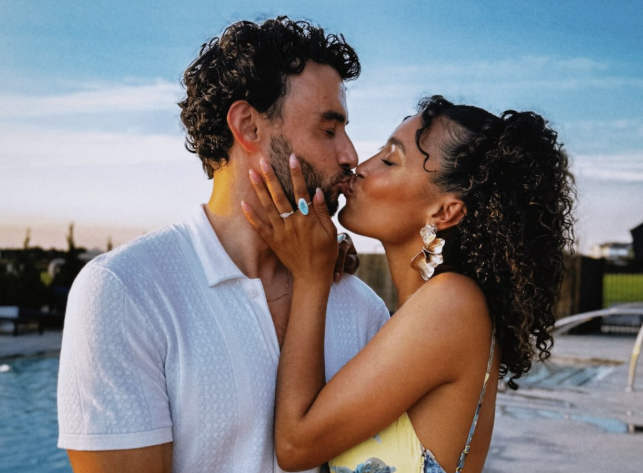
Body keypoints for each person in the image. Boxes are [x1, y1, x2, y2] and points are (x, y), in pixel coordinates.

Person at [57, 17, 390, 473]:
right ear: (248, 127)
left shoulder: (363, 307)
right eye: (328, 130)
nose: (350, 154)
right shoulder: (126, 291)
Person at [243, 95, 575, 473]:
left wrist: (311, 276)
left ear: (445, 211)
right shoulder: (435, 309)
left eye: (390, 160)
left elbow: (294, 446)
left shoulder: (452, 304)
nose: (359, 166)